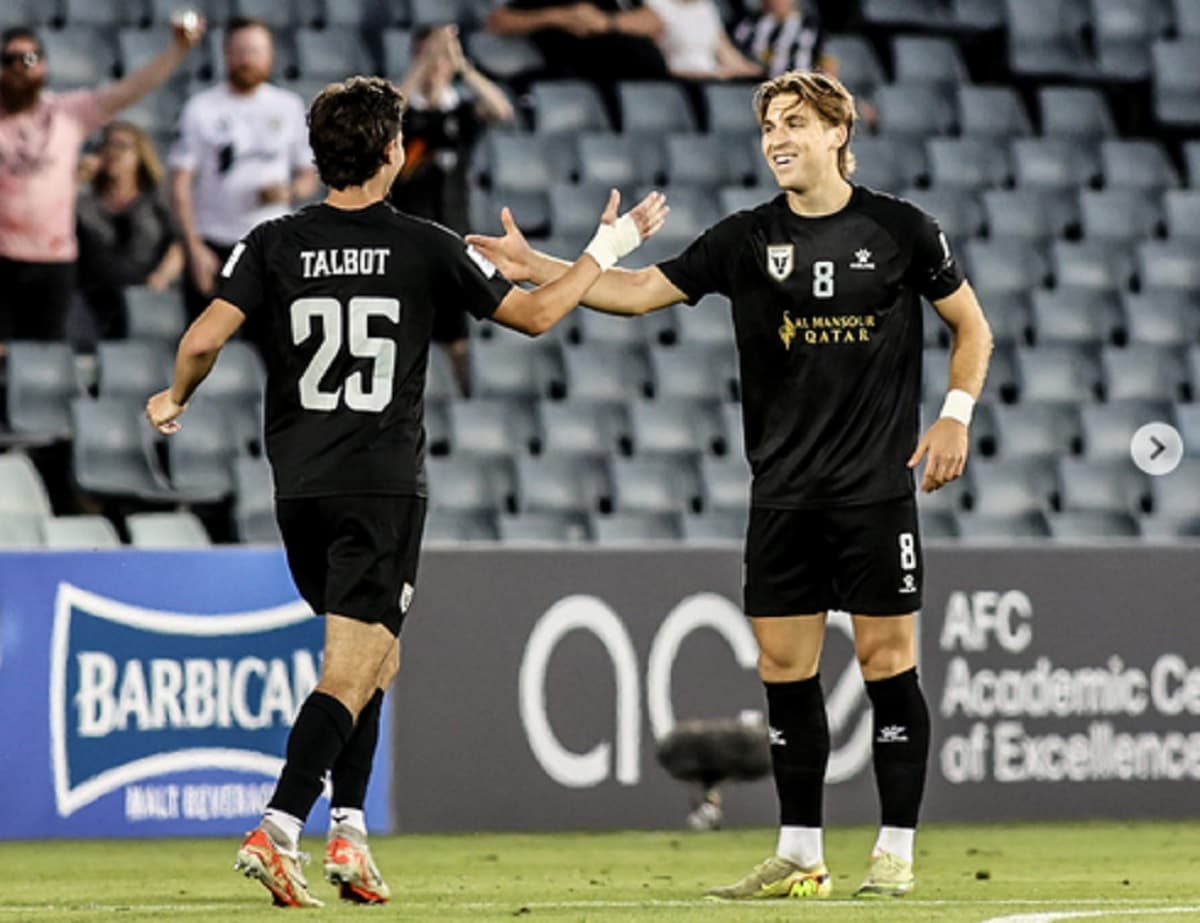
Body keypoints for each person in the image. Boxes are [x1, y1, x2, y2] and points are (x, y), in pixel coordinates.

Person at [466, 71, 993, 900]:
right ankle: (800, 851)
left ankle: (894, 849)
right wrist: (543, 267)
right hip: (782, 495)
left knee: (891, 664)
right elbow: (640, 294)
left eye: (795, 122)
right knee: (785, 673)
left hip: (873, 493)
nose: (778, 138)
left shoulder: (903, 230)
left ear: (837, 133)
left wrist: (956, 413)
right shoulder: (746, 237)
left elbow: (973, 324)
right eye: (768, 127)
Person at [145, 75, 667, 908]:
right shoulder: (424, 244)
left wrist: (176, 397)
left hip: (299, 487)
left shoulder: (272, 240)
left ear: (319, 156)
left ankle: (349, 834)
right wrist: (604, 253)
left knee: (378, 654)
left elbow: (205, 335)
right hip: (381, 486)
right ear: (393, 152)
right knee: (351, 668)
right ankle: (279, 827)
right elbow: (534, 317)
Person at [0, 19, 204, 346]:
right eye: (8, 60)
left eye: (28, 59)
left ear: (44, 64)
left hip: (53, 261)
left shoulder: (67, 112)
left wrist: (177, 50)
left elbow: (129, 91)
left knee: (44, 355)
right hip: (3, 257)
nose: (19, 68)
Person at [168, 17, 317, 327]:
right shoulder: (203, 108)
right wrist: (193, 247)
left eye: (256, 51)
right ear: (226, 55)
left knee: (276, 346)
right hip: (215, 243)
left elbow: (309, 173)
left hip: (269, 245)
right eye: (240, 51)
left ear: (270, 55)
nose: (248, 59)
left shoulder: (287, 106)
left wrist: (288, 191)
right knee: (203, 345)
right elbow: (180, 183)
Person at [392, 23, 515, 397]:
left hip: (453, 240)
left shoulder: (459, 113)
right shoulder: (403, 115)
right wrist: (420, 66)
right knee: (403, 335)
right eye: (429, 56)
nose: (436, 65)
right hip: (406, 243)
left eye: (441, 58)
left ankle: (467, 402)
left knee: (456, 337)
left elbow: (502, 110)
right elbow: (384, 115)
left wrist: (465, 69)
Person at [74, 121, 183, 346]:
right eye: (107, 145)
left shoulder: (156, 197)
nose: (113, 152)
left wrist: (162, 276)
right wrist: (76, 180)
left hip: (146, 292)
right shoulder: (83, 199)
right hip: (93, 295)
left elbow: (178, 245)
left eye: (122, 146)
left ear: (140, 153)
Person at [485, 1, 669, 82]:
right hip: (579, 76)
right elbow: (497, 21)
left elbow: (655, 22)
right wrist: (557, 17)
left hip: (641, 77)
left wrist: (604, 22)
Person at [645, 0, 762, 80]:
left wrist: (762, 75)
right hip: (684, 85)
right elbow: (657, 66)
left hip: (714, 82)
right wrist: (709, 75)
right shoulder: (655, 6)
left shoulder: (706, 6)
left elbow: (727, 54)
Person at [733, 0, 835, 79]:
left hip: (800, 88)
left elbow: (828, 63)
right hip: (753, 87)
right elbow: (733, 56)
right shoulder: (749, 24)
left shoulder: (811, 26)